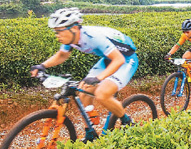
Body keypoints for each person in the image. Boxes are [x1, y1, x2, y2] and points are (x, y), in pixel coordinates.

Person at [30, 8, 138, 141]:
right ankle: (90, 133)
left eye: (59, 31)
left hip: (126, 59)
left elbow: (119, 60)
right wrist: (42, 66)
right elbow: (62, 55)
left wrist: (99, 78)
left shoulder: (93, 37)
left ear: (74, 28)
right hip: (107, 58)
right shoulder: (70, 39)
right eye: (55, 31)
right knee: (83, 92)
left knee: (102, 94)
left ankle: (128, 122)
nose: (57, 35)